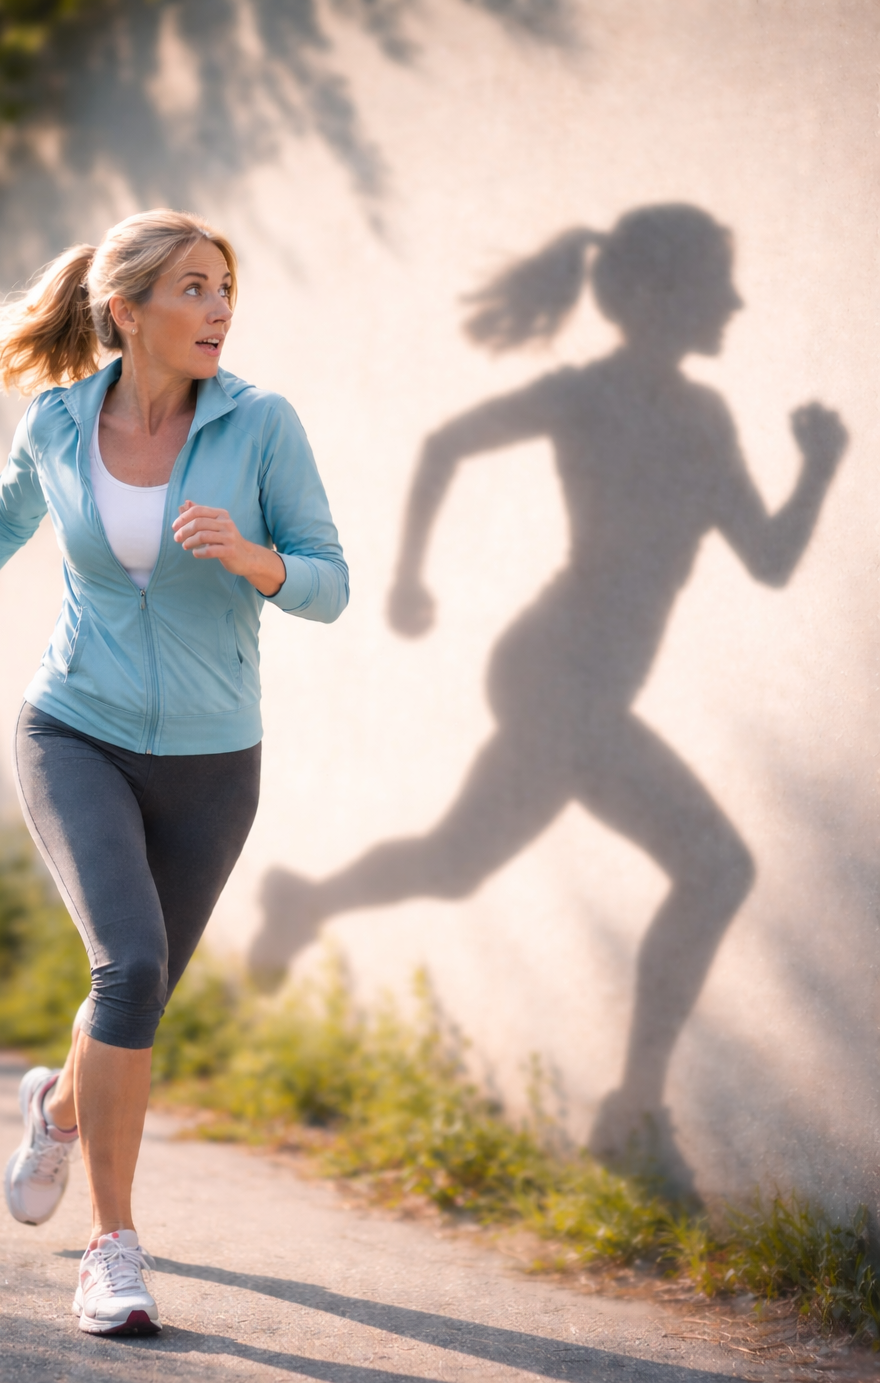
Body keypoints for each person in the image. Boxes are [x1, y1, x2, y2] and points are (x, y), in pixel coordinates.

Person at [249, 204, 845, 1185]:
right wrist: (405, 579)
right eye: (716, 282)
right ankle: (632, 1110)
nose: (735, 301)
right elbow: (446, 443)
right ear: (656, 296)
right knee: (716, 866)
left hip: (585, 686)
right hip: (553, 671)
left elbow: (770, 559)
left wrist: (816, 471)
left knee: (455, 863)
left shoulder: (706, 419)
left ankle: (305, 899)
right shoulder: (581, 397)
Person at [0, 209, 348, 1335]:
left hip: (212, 755)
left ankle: (57, 1105)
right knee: (132, 965)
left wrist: (256, 562)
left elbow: (329, 581)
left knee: (135, 986)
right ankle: (111, 1250)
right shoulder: (58, 423)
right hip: (76, 728)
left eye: (224, 289)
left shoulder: (261, 425)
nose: (218, 311)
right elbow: (0, 522)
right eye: (193, 289)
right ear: (128, 310)